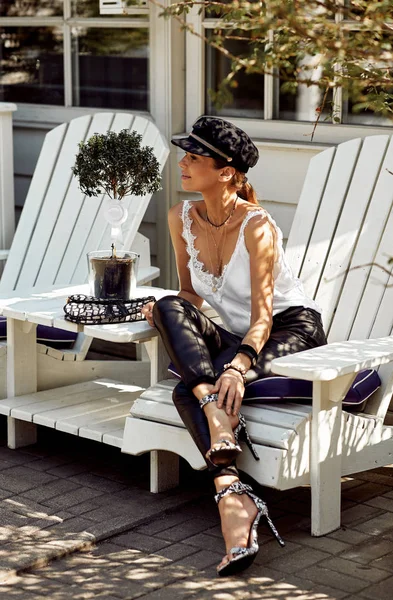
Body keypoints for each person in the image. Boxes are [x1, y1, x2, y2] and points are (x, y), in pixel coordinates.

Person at [141, 116, 327, 577]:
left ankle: (231, 498)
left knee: (188, 389)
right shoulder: (180, 216)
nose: (181, 163)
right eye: (184, 155)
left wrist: (237, 368)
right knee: (165, 306)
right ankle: (233, 484)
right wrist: (166, 313)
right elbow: (189, 293)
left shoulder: (256, 226)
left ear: (226, 172)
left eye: (193, 157)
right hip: (239, 333)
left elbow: (264, 315)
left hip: (290, 331)